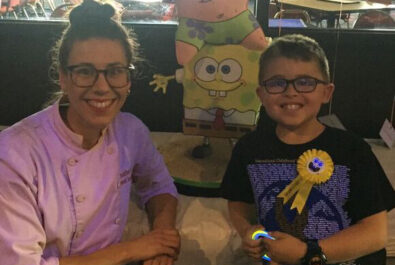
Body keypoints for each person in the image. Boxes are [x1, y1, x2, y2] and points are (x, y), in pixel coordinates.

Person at [0, 0, 180, 264]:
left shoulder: (130, 131)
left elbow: (159, 186)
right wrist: (131, 250)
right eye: (85, 72)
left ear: (128, 80)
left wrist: (162, 237)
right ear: (63, 77)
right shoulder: (14, 155)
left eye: (115, 71)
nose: (102, 87)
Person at [221, 34, 395, 265]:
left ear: (326, 92)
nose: (291, 92)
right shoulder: (249, 148)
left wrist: (308, 253)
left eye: (305, 82)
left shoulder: (353, 150)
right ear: (261, 94)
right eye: (276, 82)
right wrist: (249, 231)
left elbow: (375, 234)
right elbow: (239, 203)